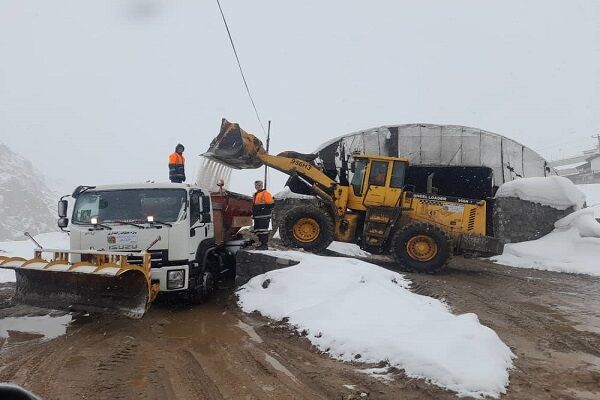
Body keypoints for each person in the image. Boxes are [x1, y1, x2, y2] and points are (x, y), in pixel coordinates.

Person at [252, 180, 274, 250]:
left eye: (259, 185)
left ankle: (264, 245)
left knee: (263, 230)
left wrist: (262, 208)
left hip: (264, 216)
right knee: (258, 230)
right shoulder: (255, 194)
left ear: (262, 186)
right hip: (257, 216)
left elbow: (271, 205)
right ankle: (261, 244)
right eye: (256, 185)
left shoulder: (266, 194)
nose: (257, 187)